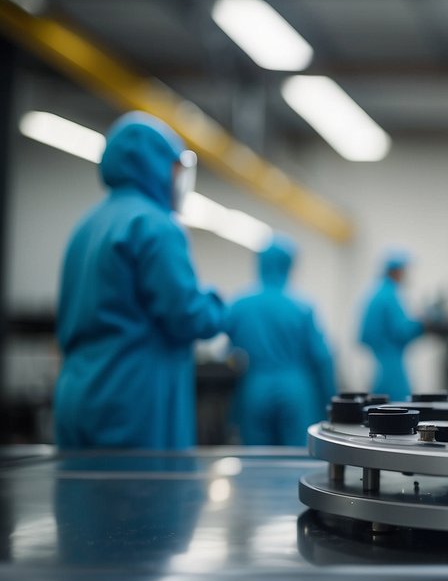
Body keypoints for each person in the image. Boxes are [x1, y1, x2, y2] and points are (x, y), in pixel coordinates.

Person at [54, 112, 226, 449]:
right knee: (144, 498)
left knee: (80, 496)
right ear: (157, 165)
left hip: (76, 393)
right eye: (175, 169)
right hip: (131, 397)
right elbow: (186, 314)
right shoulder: (155, 225)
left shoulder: (86, 225)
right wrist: (217, 305)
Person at [225, 235, 336, 445]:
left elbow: (229, 353)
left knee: (257, 457)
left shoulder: (240, 304)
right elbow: (321, 356)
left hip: (255, 388)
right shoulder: (302, 306)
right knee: (295, 459)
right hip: (295, 389)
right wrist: (330, 401)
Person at [359, 251, 424, 400]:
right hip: (390, 361)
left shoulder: (377, 292)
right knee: (396, 404)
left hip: (381, 360)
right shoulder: (389, 295)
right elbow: (401, 330)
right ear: (396, 271)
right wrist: (422, 323)